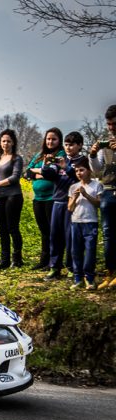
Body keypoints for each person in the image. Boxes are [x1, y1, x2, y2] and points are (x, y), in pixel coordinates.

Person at [42, 132, 84, 279]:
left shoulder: (82, 160)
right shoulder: (62, 159)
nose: (68, 147)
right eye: (66, 144)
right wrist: (46, 164)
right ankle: (55, 267)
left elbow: (80, 177)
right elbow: (50, 175)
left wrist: (67, 168)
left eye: (71, 144)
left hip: (73, 203)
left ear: (79, 146)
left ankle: (72, 267)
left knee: (71, 237)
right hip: (57, 201)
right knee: (55, 236)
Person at [25, 127, 65, 270]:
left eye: (53, 139)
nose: (50, 141)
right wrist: (42, 172)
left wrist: (40, 172)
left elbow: (54, 174)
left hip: (52, 198)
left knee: (53, 231)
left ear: (59, 140)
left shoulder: (60, 155)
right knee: (44, 230)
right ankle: (44, 260)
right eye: (48, 139)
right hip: (38, 198)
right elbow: (27, 173)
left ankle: (54, 262)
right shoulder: (39, 155)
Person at [0, 129, 24, 270]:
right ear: (0, 143)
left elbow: (15, 177)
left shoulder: (17, 158)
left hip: (13, 196)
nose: (6, 143)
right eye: (3, 141)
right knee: (2, 229)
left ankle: (17, 259)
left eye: (8, 141)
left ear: (13, 142)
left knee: (12, 228)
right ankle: (4, 260)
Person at [88, 104, 116, 289]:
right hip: (107, 191)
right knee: (108, 235)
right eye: (109, 124)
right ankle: (110, 273)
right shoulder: (106, 144)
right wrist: (91, 155)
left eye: (114, 123)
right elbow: (98, 172)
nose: (111, 127)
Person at [68, 159, 103, 290]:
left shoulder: (96, 185)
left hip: (90, 222)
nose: (79, 173)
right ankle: (78, 278)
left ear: (89, 171)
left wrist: (86, 195)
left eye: (81, 170)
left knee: (90, 251)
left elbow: (99, 204)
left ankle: (89, 278)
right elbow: (70, 208)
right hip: (76, 222)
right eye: (76, 171)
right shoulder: (73, 187)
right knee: (75, 251)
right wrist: (76, 197)